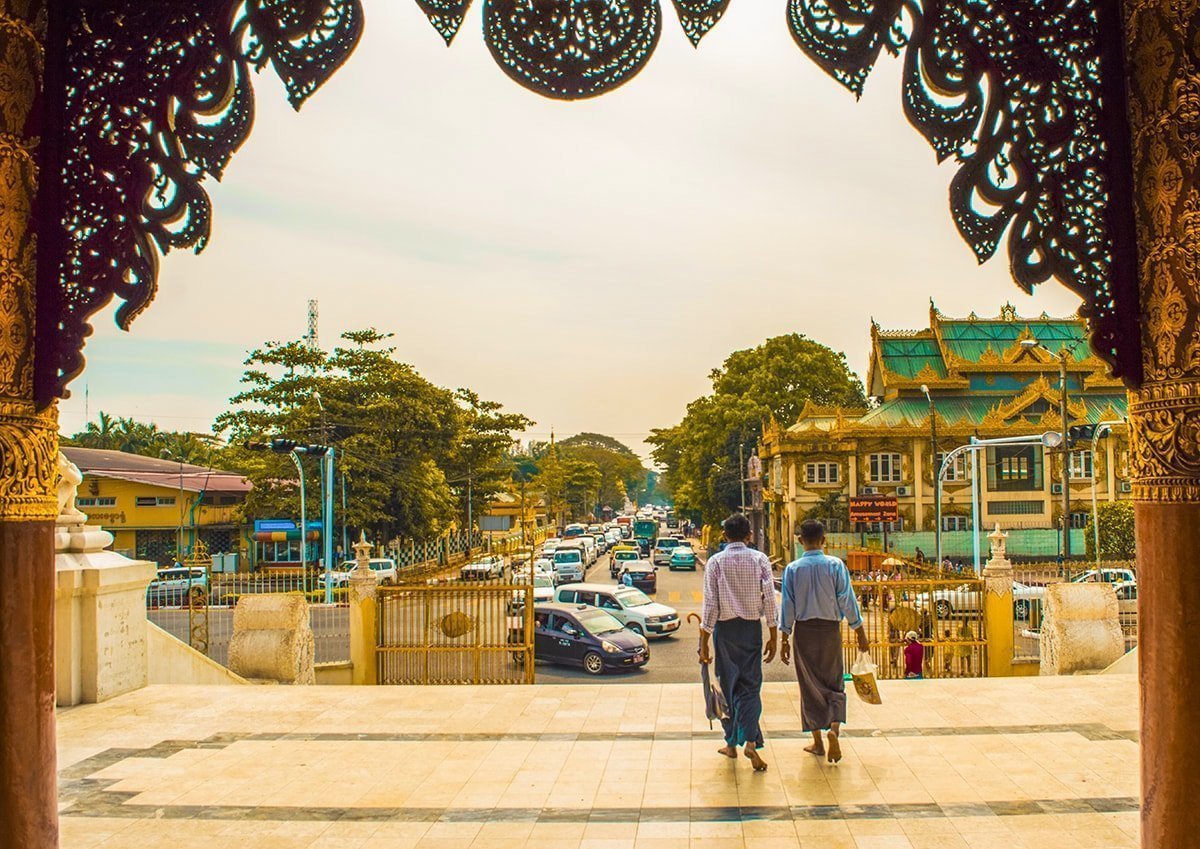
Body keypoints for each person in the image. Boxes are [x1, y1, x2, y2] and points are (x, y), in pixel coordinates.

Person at [779, 519, 869, 764]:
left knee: (809, 686)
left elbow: (788, 604)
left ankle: (818, 742)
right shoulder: (835, 565)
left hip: (804, 631)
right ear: (824, 540)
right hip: (830, 630)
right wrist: (859, 630)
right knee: (834, 682)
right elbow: (846, 600)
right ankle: (834, 730)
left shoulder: (793, 569)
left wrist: (784, 637)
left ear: (800, 541)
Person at [698, 512, 779, 772]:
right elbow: (769, 596)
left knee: (727, 686)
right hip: (751, 629)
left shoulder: (715, 562)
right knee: (750, 686)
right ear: (749, 535)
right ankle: (751, 740)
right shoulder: (759, 559)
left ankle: (731, 742)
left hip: (725, 631)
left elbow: (710, 604)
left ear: (724, 535)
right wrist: (774, 634)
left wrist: (704, 642)